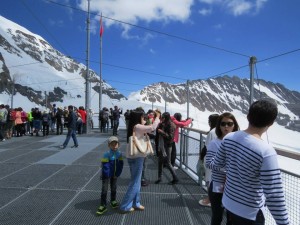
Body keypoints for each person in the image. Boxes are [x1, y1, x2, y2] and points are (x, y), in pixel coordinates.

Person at [208, 100, 289, 225]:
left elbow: (217, 164)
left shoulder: (229, 138)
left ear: (248, 116)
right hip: (249, 213)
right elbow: (274, 195)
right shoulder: (266, 152)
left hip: (229, 203)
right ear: (271, 123)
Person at [119, 110, 160, 213]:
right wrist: (158, 117)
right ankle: (125, 206)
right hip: (138, 157)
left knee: (136, 181)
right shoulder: (138, 126)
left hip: (132, 156)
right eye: (143, 117)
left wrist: (151, 119)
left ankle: (135, 203)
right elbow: (152, 128)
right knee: (135, 182)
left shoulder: (134, 126)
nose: (144, 119)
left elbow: (148, 126)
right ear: (139, 118)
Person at [205, 112, 239, 225]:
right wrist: (227, 169)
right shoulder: (214, 143)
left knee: (231, 219)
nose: (226, 126)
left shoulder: (239, 143)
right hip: (218, 187)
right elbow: (209, 163)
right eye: (223, 123)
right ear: (219, 126)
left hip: (233, 187)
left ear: (234, 125)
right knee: (217, 217)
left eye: (229, 124)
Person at [96, 136, 124, 215]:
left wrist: (117, 174)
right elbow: (105, 166)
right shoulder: (106, 154)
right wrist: (107, 175)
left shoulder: (119, 154)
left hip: (114, 175)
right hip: (106, 175)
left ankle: (113, 201)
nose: (114, 146)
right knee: (104, 189)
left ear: (118, 145)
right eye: (112, 144)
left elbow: (121, 165)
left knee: (114, 187)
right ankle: (103, 205)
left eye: (116, 144)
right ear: (109, 145)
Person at [199, 113, 219, 207]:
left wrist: (201, 158)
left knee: (209, 180)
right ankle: (215, 200)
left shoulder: (212, 132)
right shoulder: (222, 132)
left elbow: (207, 147)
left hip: (211, 160)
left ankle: (210, 200)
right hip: (220, 161)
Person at [155, 112, 179, 185]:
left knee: (168, 163)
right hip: (162, 145)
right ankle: (160, 178)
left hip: (168, 145)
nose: (162, 119)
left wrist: (162, 132)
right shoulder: (163, 123)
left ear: (166, 118)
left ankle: (175, 178)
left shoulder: (171, 125)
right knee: (160, 162)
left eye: (163, 118)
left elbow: (170, 137)